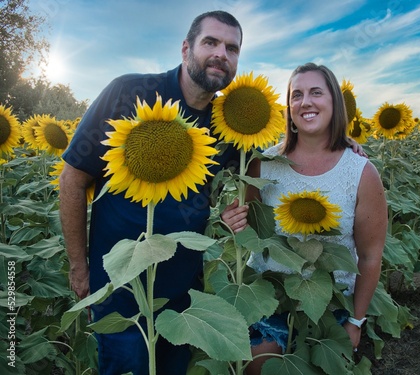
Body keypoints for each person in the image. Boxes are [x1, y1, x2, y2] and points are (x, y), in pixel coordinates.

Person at [59, 11, 243, 375]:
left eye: (232, 47)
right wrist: (80, 269)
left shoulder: (228, 122)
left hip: (184, 294)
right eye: (211, 42)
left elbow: (258, 163)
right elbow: (72, 179)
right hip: (119, 287)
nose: (222, 53)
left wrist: (337, 139)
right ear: (186, 48)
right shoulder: (129, 92)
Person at [221, 62, 387, 374]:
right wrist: (231, 222)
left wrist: (356, 321)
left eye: (315, 92)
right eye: (296, 95)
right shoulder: (263, 164)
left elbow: (369, 255)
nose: (305, 102)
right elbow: (245, 222)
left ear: (334, 103)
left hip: (331, 307)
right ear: (288, 107)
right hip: (269, 300)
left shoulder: (360, 172)